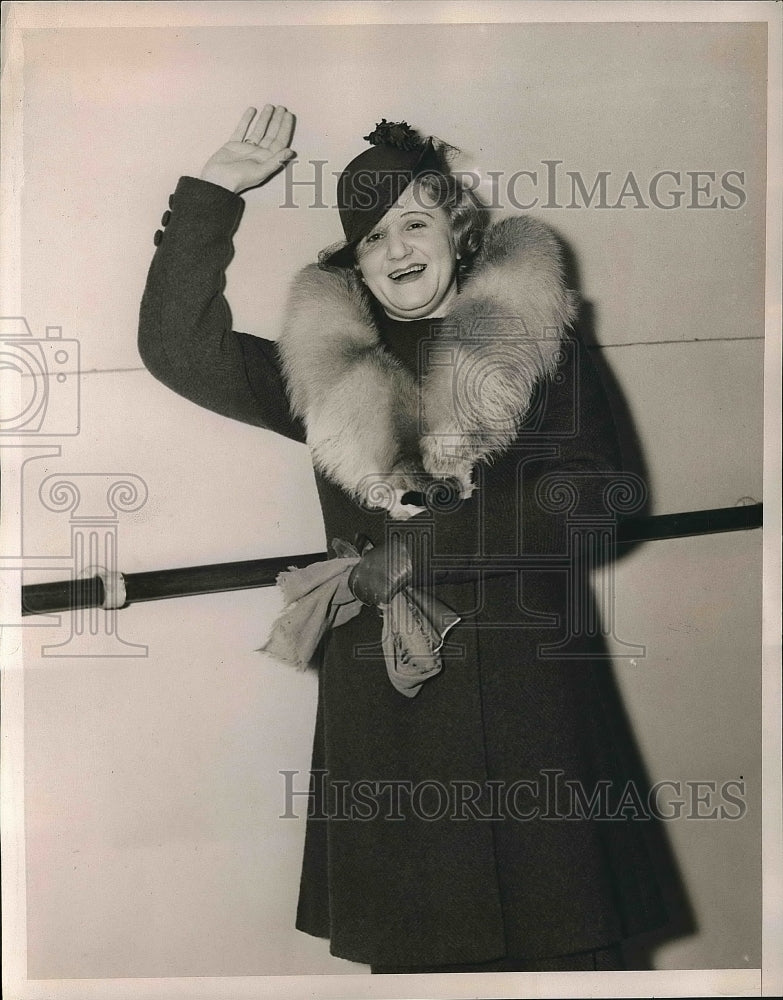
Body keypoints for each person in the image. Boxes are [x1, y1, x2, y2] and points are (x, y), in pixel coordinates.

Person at [138, 105, 668, 973]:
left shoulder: (541, 343)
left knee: (564, 957)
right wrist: (212, 196)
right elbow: (176, 349)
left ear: (458, 230)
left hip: (533, 712)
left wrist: (424, 551)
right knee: (425, 957)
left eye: (414, 222)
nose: (395, 248)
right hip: (390, 719)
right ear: (355, 261)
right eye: (372, 236)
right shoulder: (325, 368)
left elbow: (603, 495)